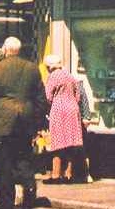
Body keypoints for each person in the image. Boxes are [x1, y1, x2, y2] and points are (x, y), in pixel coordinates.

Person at [0, 37, 47, 209]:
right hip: (25, 122)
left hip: (1, 123)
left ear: (5, 50)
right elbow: (41, 99)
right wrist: (36, 123)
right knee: (24, 159)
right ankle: (29, 195)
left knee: (3, 164)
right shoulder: (33, 69)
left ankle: (5, 202)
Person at [43, 54, 83, 186]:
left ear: (49, 66)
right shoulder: (70, 75)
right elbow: (78, 96)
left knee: (57, 143)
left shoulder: (53, 76)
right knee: (70, 143)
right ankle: (68, 173)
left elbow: (48, 96)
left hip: (59, 109)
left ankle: (55, 174)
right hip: (73, 109)